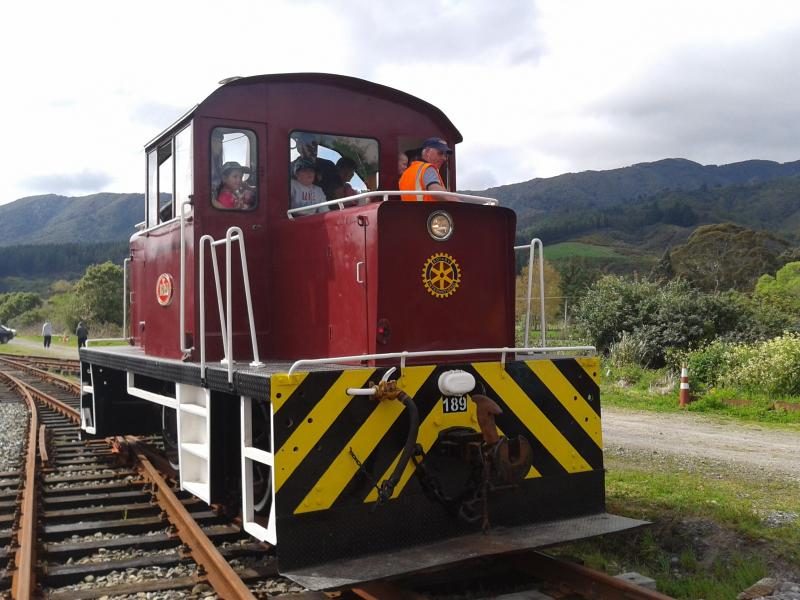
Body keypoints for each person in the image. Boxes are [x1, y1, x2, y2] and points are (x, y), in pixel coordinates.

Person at [399, 137, 452, 202]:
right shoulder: (428, 168)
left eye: (445, 155)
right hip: (427, 211)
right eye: (440, 153)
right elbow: (435, 190)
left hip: (409, 211)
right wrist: (459, 201)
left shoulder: (406, 173)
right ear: (427, 152)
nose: (444, 158)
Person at [292, 133, 341, 199]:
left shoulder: (329, 166)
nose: (312, 148)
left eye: (314, 144)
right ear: (299, 148)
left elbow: (338, 195)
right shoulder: (289, 168)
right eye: (307, 145)